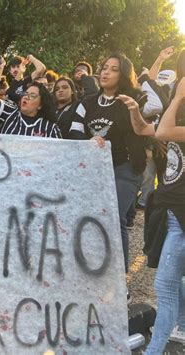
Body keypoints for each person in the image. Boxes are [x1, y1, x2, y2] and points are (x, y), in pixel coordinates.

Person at [69, 53, 154, 279]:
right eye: (104, 67)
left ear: (124, 74)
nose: (105, 72)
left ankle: (119, 283)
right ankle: (93, 274)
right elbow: (75, 130)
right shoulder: (87, 102)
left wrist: (137, 106)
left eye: (113, 69)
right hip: (95, 171)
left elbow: (151, 119)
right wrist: (87, 141)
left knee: (114, 219)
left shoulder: (135, 98)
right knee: (96, 219)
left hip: (125, 168)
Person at [145, 77, 185, 354]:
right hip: (170, 211)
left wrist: (178, 96)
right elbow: (151, 130)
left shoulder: (176, 119)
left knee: (165, 285)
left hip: (182, 216)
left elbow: (163, 132)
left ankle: (154, 350)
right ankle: (181, 326)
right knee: (175, 281)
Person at [0, 48, 61, 138]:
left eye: (32, 95)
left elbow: (41, 69)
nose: (26, 97)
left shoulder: (50, 129)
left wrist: (31, 57)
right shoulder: (10, 114)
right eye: (25, 94)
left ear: (40, 104)